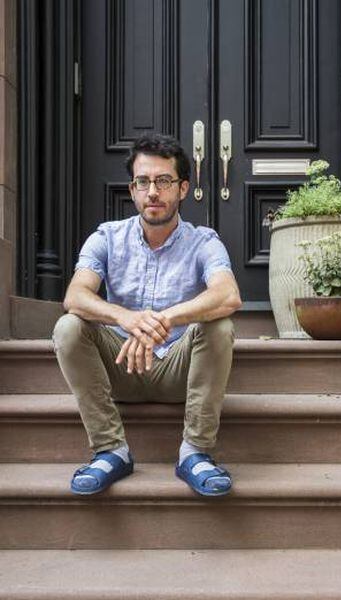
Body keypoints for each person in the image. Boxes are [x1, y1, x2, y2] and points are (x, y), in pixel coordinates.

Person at [52, 132, 242, 497]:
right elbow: (75, 296)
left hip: (178, 370)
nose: (152, 191)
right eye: (143, 182)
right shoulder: (107, 237)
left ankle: (195, 452)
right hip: (120, 365)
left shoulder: (204, 241)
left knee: (219, 324)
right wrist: (126, 318)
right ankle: (111, 450)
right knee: (69, 326)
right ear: (133, 188)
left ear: (183, 188)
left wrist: (164, 318)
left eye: (164, 181)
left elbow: (228, 294)